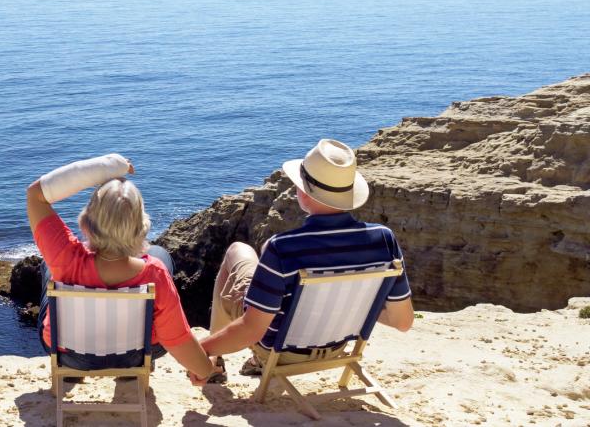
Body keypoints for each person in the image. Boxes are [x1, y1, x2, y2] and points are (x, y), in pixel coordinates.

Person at [193, 139, 415, 384]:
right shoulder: (384, 239)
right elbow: (402, 322)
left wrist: (200, 350)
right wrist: (356, 305)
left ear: (304, 192)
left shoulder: (282, 247)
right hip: (337, 348)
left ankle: (213, 364)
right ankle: (239, 361)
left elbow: (251, 330)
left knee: (238, 250)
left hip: (279, 351)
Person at [26, 153, 215, 380]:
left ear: (86, 223)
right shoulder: (155, 273)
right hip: (134, 356)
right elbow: (178, 339)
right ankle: (128, 375)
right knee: (160, 254)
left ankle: (72, 375)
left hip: (67, 354)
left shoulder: (65, 257)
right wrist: (205, 370)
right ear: (141, 228)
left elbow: (36, 194)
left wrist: (107, 167)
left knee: (50, 267)